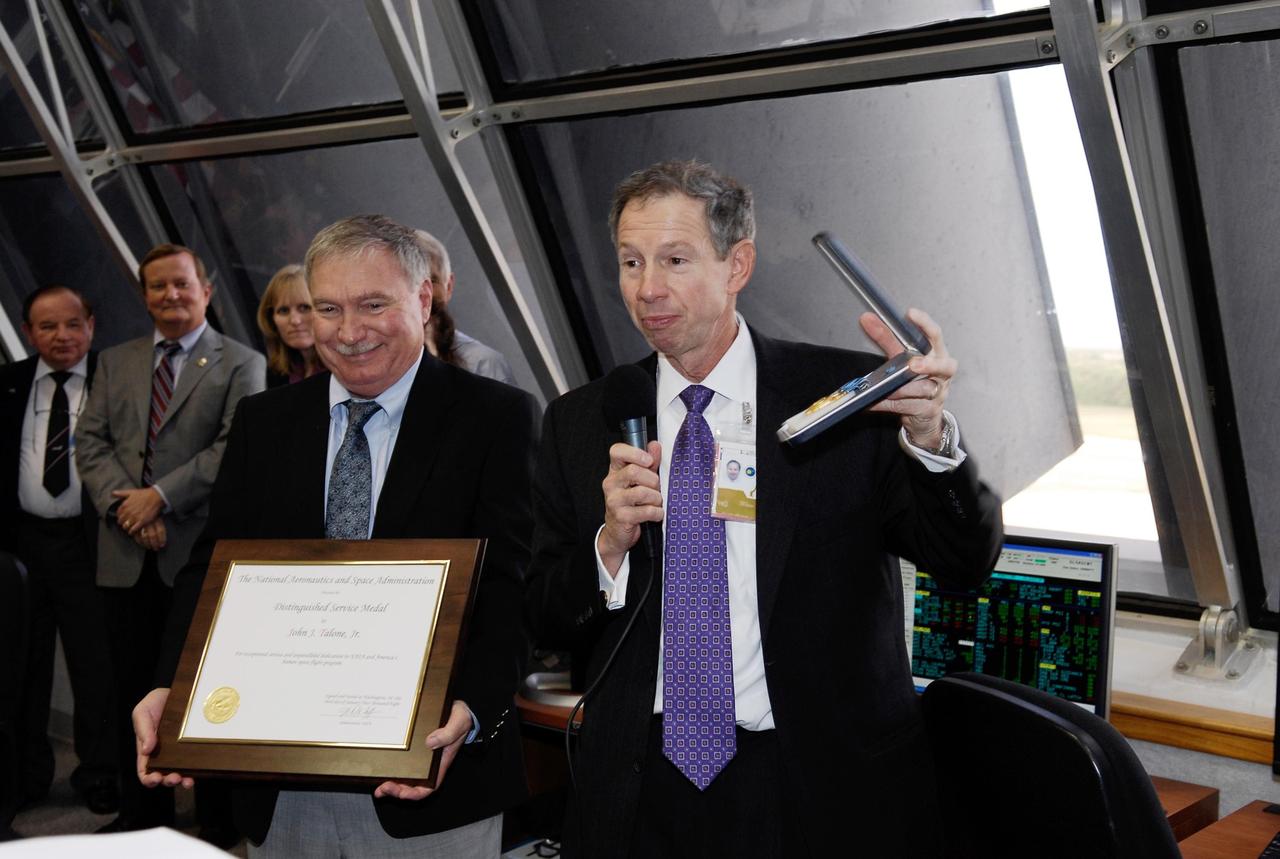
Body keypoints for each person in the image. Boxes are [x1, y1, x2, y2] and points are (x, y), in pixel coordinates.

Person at [526, 160, 1003, 858]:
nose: (647, 288)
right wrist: (609, 546)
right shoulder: (581, 419)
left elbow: (963, 559)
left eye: (675, 259)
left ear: (738, 264)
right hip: (641, 786)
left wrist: (928, 436)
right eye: (631, 262)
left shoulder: (845, 398)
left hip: (815, 780)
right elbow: (544, 612)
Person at [134, 214, 537, 857]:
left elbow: (513, 585)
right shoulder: (264, 422)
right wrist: (171, 687)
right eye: (328, 309)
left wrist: (474, 707)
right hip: (278, 775)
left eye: (373, 305)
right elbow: (212, 572)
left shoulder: (495, 416)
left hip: (432, 776)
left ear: (424, 299)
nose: (348, 332)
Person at [76, 244, 265, 832]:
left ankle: (217, 824)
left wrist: (158, 497)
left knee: (206, 691)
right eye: (157, 286)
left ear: (205, 290)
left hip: (199, 554)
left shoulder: (242, 362)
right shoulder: (116, 360)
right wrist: (128, 508)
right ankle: (142, 819)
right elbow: (91, 442)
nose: (171, 294)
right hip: (125, 552)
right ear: (144, 296)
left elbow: (233, 448)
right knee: (130, 687)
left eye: (181, 283)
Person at [0, 286, 117, 817]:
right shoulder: (8, 383)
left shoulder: (115, 377)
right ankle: (24, 775)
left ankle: (100, 772)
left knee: (95, 665)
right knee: (23, 663)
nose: (62, 336)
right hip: (22, 545)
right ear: (28, 333)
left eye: (73, 323)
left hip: (89, 543)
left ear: (90, 325)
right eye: (47, 326)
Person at [415, 229, 516, 383]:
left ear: (448, 286)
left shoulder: (483, 365)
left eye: (432, 281)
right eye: (411, 283)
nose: (422, 294)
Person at [256, 264, 323, 387]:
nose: (295, 321)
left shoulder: (344, 372)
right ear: (271, 319)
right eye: (284, 311)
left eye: (304, 308)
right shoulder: (275, 377)